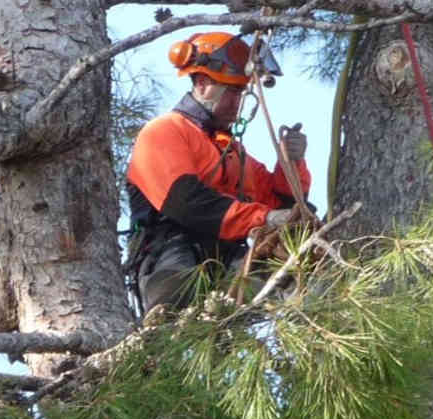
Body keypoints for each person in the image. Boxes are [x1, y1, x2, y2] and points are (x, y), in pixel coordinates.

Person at [124, 31, 311, 321]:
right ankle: (160, 325)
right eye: (232, 91)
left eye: (241, 93)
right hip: (172, 253)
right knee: (175, 288)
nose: (237, 102)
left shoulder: (232, 152)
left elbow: (285, 205)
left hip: (226, 261)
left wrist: (292, 164)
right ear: (202, 83)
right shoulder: (164, 131)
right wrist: (263, 219)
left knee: (293, 285)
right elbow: (186, 203)